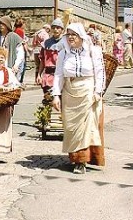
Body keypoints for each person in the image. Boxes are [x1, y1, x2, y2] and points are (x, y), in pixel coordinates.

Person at [52, 23, 105, 174]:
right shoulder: (64, 53)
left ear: (81, 36)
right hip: (69, 91)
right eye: (68, 35)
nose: (70, 38)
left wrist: (98, 91)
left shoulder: (93, 51)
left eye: (73, 35)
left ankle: (81, 161)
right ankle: (75, 157)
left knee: (85, 127)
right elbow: (58, 75)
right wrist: (56, 95)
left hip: (87, 89)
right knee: (72, 128)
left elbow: (100, 72)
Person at [0, 16, 24, 81]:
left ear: (7, 24)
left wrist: (16, 65)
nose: (1, 26)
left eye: (3, 24)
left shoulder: (14, 37)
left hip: (10, 65)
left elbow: (20, 52)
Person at [36, 18, 64, 93]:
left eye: (58, 28)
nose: (55, 30)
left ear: (62, 30)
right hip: (48, 76)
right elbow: (42, 61)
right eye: (53, 28)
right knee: (48, 99)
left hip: (60, 75)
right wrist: (39, 74)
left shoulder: (65, 43)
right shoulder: (46, 43)